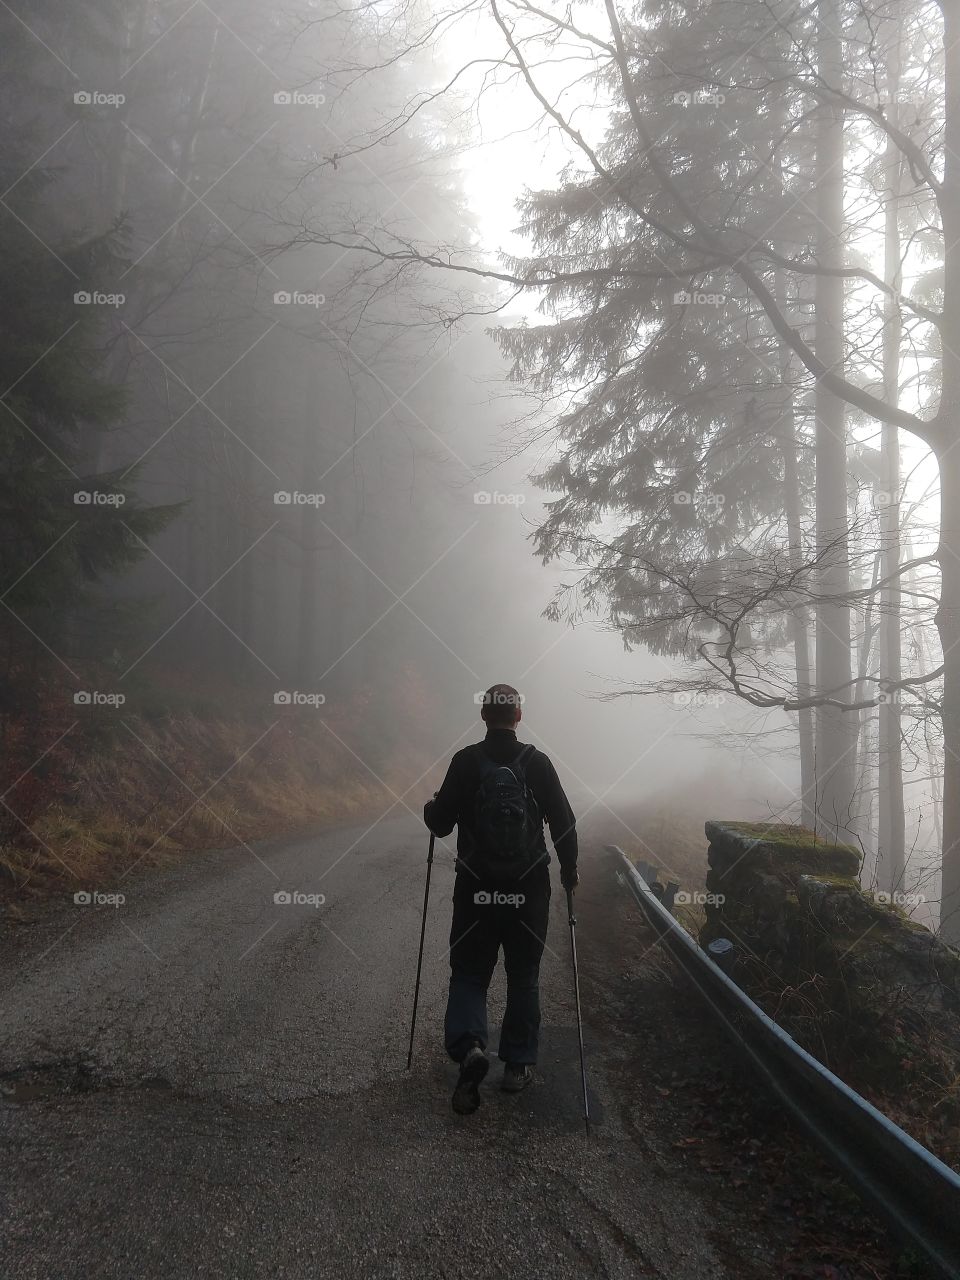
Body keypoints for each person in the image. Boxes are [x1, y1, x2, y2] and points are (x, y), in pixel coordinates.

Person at [423, 683, 579, 1115]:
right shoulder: (538, 763)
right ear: (519, 716)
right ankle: (516, 1066)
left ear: (483, 715)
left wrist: (430, 808)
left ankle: (471, 1047)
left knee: (470, 973)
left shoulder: (466, 761)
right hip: (528, 890)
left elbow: (440, 824)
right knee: (523, 975)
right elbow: (564, 822)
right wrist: (569, 871)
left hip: (476, 888)